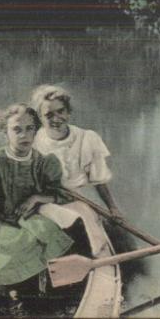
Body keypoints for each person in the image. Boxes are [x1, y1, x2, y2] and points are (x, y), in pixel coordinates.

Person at [0, 103, 75, 286]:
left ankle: (43, 284)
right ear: (5, 132)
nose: (24, 135)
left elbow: (64, 195)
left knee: (53, 235)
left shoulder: (43, 162)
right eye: (17, 130)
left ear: (36, 130)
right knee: (12, 254)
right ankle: (13, 293)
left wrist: (37, 198)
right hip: (0, 225)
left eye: (29, 128)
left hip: (30, 221)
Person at [30, 84, 124, 257]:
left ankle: (95, 255)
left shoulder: (87, 139)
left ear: (68, 112)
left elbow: (99, 181)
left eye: (61, 111)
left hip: (78, 200)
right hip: (47, 201)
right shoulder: (33, 142)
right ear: (40, 118)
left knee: (85, 223)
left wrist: (113, 208)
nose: (56, 118)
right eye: (49, 115)